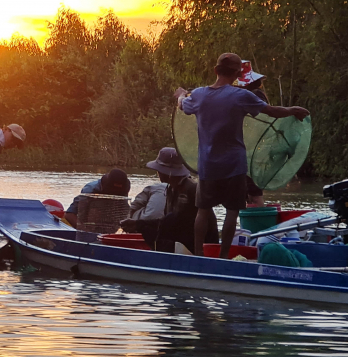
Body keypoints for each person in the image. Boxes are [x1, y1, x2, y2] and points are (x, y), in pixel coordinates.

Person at [174, 53, 309, 258]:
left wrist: (181, 95)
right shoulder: (240, 96)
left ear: (215, 70)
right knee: (232, 211)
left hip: (208, 165)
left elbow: (182, 105)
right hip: (234, 165)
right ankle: (224, 256)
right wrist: (292, 110)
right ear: (237, 73)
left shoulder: (200, 95)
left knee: (202, 210)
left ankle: (199, 253)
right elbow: (271, 111)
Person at [120, 147, 216, 253]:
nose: (158, 173)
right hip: (183, 235)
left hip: (197, 242)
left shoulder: (191, 189)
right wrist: (138, 224)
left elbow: (177, 222)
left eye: (159, 171)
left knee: (164, 225)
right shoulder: (171, 189)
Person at [235, 61, 268, 206]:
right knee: (247, 194)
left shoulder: (254, 96)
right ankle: (249, 227)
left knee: (253, 193)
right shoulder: (255, 95)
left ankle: (257, 227)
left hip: (252, 152)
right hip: (251, 151)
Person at [64, 169, 130, 228]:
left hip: (110, 223)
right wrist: (83, 230)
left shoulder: (123, 189)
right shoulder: (90, 189)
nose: (116, 191)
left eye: (118, 190)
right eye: (114, 189)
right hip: (89, 223)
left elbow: (124, 211)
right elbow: (70, 214)